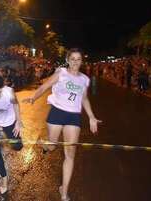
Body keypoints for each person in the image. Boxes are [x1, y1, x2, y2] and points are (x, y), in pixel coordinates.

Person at [23, 48, 101, 201]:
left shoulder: (84, 79)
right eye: (72, 58)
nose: (75, 62)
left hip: (74, 117)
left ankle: (64, 191)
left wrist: (91, 116)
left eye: (78, 59)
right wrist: (33, 97)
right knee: (52, 146)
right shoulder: (61, 73)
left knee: (70, 154)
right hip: (57, 113)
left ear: (81, 61)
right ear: (68, 60)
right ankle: (44, 145)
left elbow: (84, 99)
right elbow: (44, 87)